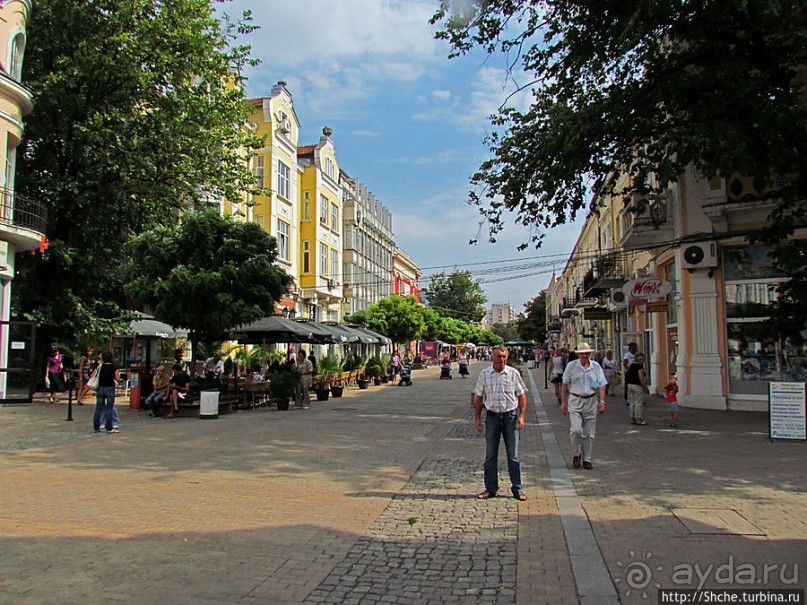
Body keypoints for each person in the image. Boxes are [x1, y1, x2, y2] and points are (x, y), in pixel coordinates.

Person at [473, 344, 528, 501]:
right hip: (492, 418)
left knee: (513, 456)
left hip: (510, 417)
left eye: (504, 357)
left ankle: (517, 488)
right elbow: (479, 396)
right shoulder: (484, 374)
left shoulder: (513, 373)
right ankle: (491, 488)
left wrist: (522, 416)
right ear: (492, 357)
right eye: (499, 356)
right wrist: (478, 418)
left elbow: (522, 395)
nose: (502, 360)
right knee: (491, 455)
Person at [561, 342, 607, 470]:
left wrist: (602, 401)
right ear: (578, 355)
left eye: (586, 353)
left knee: (588, 432)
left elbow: (602, 384)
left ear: (590, 354)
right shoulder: (571, 366)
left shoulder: (596, 367)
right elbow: (564, 384)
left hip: (591, 400)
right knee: (576, 430)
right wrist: (563, 402)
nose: (584, 356)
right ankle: (576, 454)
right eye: (582, 354)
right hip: (575, 399)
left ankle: (587, 459)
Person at [92, 350, 121, 433]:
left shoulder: (100, 366)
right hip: (109, 388)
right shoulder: (113, 367)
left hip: (100, 388)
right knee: (109, 408)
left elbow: (94, 375)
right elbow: (117, 378)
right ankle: (109, 428)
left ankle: (96, 427)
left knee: (98, 408)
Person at [626, 352, 650, 425]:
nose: (644, 361)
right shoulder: (640, 367)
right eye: (643, 360)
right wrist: (645, 387)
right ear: (640, 359)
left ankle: (632, 418)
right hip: (637, 386)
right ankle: (638, 418)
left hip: (630, 385)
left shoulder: (632, 365)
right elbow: (641, 378)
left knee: (632, 402)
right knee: (639, 402)